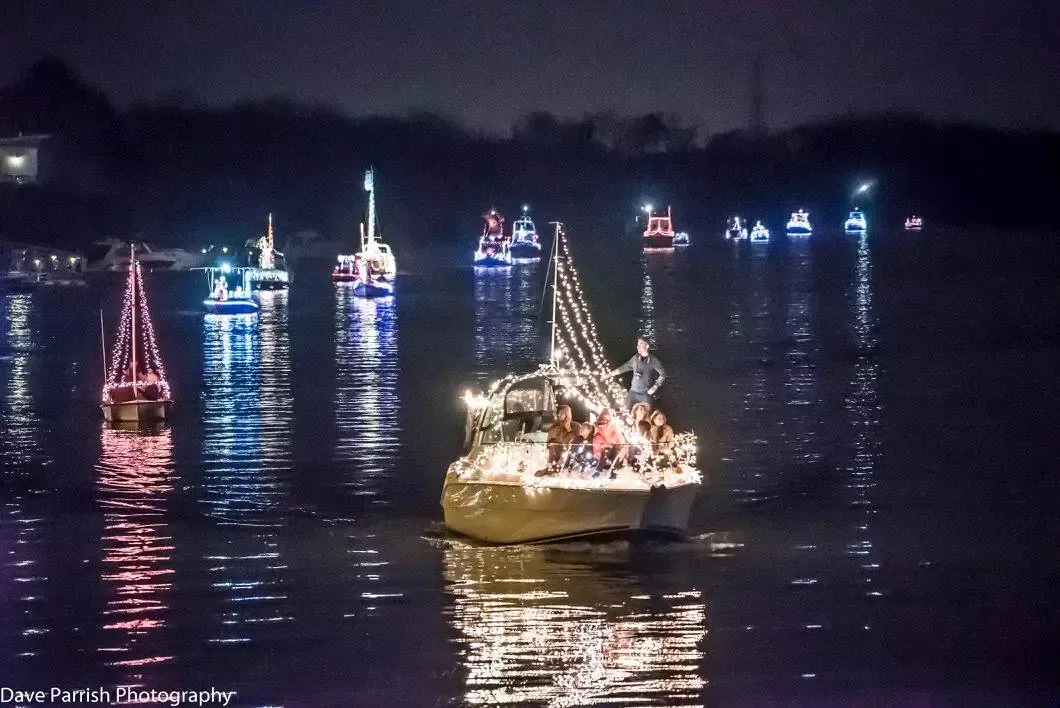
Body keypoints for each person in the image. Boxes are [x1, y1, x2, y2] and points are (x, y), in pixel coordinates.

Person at [606, 337, 666, 410]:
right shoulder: (635, 358)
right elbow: (624, 367)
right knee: (626, 411)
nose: (638, 346)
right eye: (638, 344)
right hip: (633, 392)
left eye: (641, 343)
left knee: (645, 414)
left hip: (645, 394)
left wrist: (655, 386)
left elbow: (663, 374)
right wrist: (609, 374)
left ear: (647, 346)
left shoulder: (653, 360)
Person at [592, 409, 627, 475]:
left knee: (615, 450)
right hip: (603, 458)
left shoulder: (615, 430)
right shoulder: (598, 432)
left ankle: (613, 471)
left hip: (616, 457)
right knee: (606, 450)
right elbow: (596, 446)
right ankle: (599, 470)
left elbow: (622, 445)